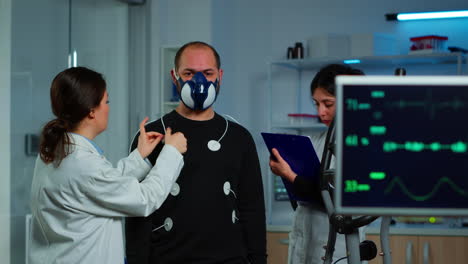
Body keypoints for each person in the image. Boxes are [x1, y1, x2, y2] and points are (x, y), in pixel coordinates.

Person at [125, 41, 267, 264]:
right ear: (175, 76)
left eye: (207, 73)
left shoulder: (238, 137)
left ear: (219, 76)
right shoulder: (151, 135)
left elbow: (252, 210)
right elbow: (136, 212)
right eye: (189, 73)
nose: (199, 82)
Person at [28, 66, 187, 264]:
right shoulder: (82, 164)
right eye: (107, 101)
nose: (109, 107)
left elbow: (100, 188)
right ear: (92, 111)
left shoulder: (55, 151)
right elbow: (145, 199)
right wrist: (171, 153)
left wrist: (138, 157)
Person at [269, 64, 364, 264]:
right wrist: (288, 175)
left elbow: (337, 201)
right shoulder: (317, 141)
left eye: (327, 104)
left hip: (339, 250)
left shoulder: (360, 144)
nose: (321, 112)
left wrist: (291, 176)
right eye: (316, 103)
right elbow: (303, 195)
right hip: (305, 242)